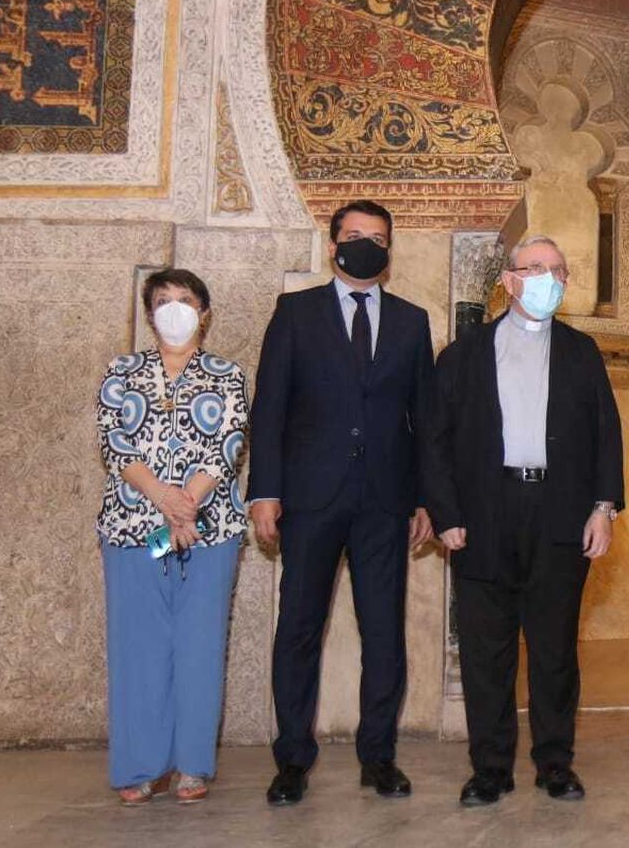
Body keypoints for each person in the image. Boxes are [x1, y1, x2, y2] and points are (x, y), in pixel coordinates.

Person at [248, 200, 436, 806]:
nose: (366, 245)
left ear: (389, 251)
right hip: (310, 499)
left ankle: (378, 756)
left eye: (378, 238)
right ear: (333, 246)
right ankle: (292, 760)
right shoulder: (295, 313)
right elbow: (270, 407)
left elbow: (426, 421)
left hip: (386, 501)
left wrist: (428, 498)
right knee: (299, 630)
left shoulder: (412, 321)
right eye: (354, 236)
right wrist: (265, 491)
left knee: (384, 634)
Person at [425, 235, 624, 807]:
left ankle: (555, 763)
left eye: (558, 270)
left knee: (555, 648)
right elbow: (435, 445)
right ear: (509, 280)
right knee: (487, 652)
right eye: (536, 268)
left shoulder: (582, 352)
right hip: (483, 515)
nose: (548, 279)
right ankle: (490, 768)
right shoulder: (461, 355)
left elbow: (606, 435)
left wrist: (603, 509)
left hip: (560, 514)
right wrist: (446, 514)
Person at [95, 268, 249, 806]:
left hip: (207, 527)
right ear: (148, 312)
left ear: (204, 312)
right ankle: (140, 766)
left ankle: (191, 766)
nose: (174, 309)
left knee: (198, 642)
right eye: (163, 301)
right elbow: (116, 445)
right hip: (135, 525)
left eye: (185, 300)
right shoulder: (121, 372)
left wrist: (189, 505)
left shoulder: (227, 375)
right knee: (140, 645)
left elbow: (227, 445)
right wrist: (164, 499)